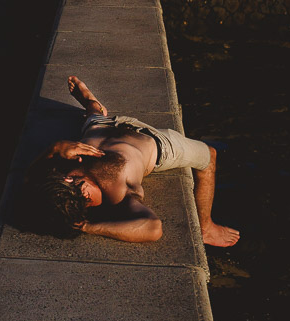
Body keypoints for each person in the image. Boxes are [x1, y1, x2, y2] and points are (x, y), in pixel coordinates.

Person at [21, 76, 240, 247]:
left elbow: (29, 179)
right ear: (86, 200)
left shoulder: (62, 179)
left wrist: (56, 148)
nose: (73, 177)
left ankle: (92, 103)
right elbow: (153, 228)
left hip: (100, 128)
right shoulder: (119, 194)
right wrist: (88, 227)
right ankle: (206, 227)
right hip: (157, 142)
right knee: (210, 156)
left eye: (72, 179)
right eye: (79, 186)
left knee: (93, 116)